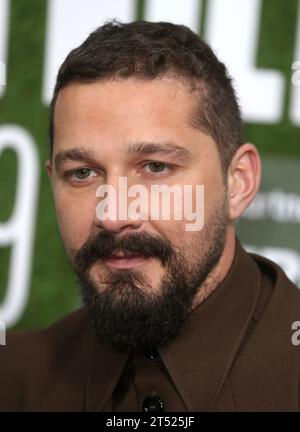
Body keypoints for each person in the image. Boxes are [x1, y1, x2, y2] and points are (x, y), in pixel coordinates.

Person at [1, 20, 300, 412]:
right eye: (82, 173)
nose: (114, 214)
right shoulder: (13, 379)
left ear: (238, 183)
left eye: (155, 167)